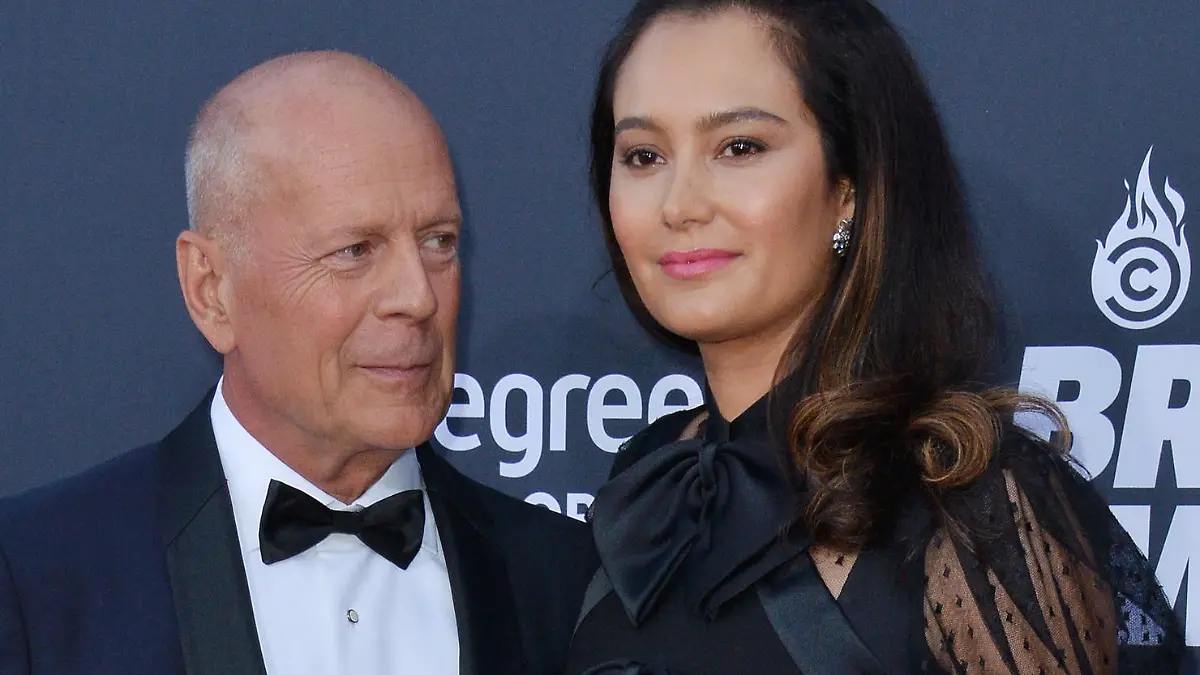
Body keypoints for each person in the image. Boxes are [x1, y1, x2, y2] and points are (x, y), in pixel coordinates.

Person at [566, 2, 1184, 674]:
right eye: (644, 155)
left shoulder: (970, 503)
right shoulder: (648, 476)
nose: (680, 204)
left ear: (850, 188)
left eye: (740, 147)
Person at [0, 51, 593, 675]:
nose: (418, 297)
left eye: (438, 242)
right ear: (211, 290)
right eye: (355, 250)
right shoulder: (38, 580)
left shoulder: (566, 582)